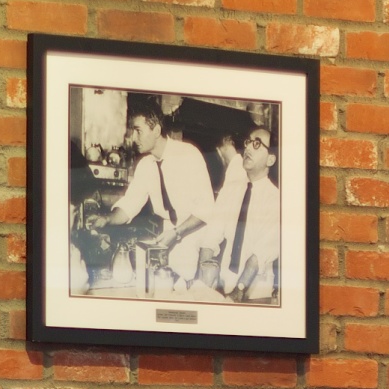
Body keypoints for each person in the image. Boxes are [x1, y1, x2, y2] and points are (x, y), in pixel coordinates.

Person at [108, 104, 214, 286]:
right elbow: (129, 205)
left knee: (186, 288)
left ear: (156, 130)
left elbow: (206, 209)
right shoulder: (145, 165)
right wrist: (106, 219)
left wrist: (177, 233)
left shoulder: (188, 154)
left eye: (138, 131)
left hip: (193, 231)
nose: (134, 138)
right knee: (161, 285)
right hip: (168, 232)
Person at [210, 125, 280, 302]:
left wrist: (237, 292)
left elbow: (257, 257)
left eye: (257, 144)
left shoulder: (275, 199)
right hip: (224, 286)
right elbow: (212, 234)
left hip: (256, 294)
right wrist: (206, 270)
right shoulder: (231, 189)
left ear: (271, 159)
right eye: (248, 142)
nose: (248, 147)